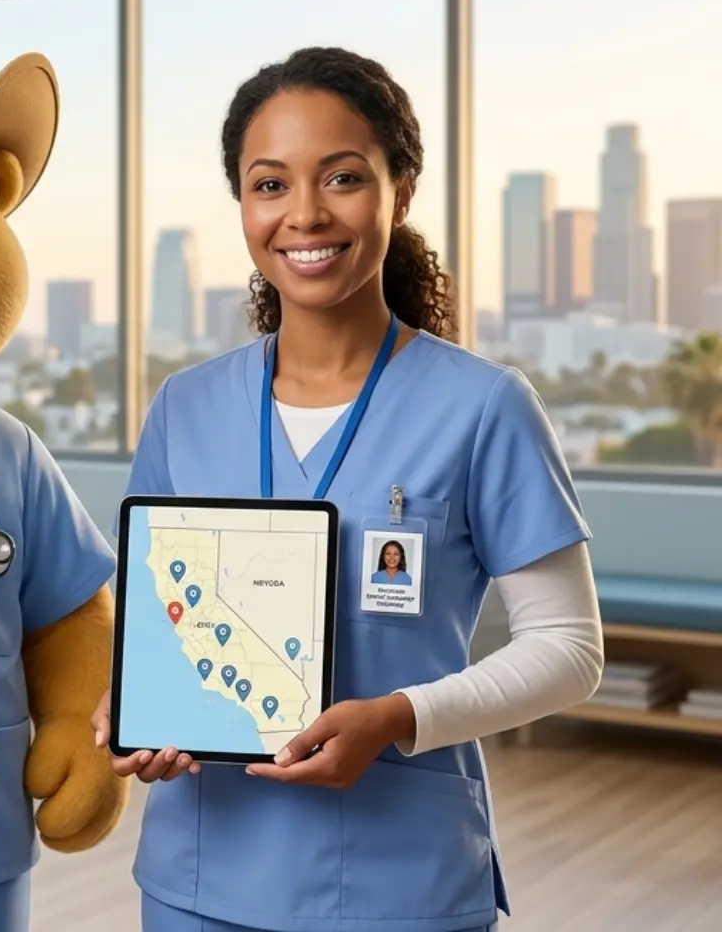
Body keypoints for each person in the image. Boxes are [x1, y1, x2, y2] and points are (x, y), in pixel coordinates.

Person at [93, 47, 605, 932]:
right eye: (269, 184)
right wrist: (133, 703)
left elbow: (568, 648)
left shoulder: (484, 406)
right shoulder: (186, 406)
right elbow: (153, 621)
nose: (304, 214)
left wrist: (401, 716)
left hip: (397, 884)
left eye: (341, 177)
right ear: (244, 206)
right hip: (198, 881)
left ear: (400, 188)